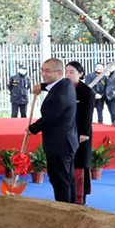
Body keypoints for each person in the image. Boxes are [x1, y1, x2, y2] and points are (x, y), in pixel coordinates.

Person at [28, 58, 77, 203]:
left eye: (48, 71)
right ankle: (72, 207)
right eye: (42, 70)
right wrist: (42, 86)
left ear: (59, 73)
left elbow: (51, 116)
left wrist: (33, 128)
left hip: (60, 143)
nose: (44, 74)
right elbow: (55, 85)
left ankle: (65, 209)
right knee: (66, 178)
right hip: (65, 141)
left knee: (61, 180)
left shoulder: (61, 93)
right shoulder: (66, 84)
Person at [65, 61, 95, 205]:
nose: (68, 75)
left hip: (81, 135)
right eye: (66, 72)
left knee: (79, 165)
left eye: (72, 72)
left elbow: (88, 115)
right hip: (65, 133)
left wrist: (84, 133)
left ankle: (80, 199)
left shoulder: (87, 92)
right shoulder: (63, 89)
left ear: (80, 74)